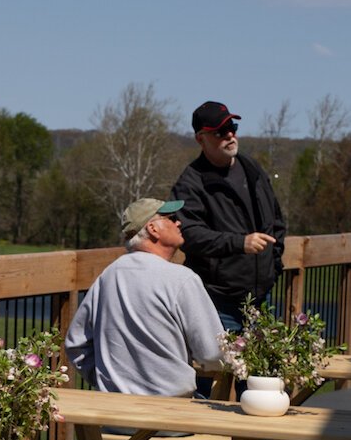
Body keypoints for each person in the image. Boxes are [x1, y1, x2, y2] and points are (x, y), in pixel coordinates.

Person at [65, 197, 225, 398]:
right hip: (170, 418)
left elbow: (75, 344)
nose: (179, 223)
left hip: (114, 416)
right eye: (171, 218)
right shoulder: (182, 279)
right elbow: (213, 354)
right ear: (153, 228)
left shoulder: (108, 276)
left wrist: (104, 381)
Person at [170, 100, 287, 332]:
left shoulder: (251, 168)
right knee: (222, 367)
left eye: (232, 128)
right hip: (218, 301)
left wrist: (274, 266)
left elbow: (276, 220)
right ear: (200, 139)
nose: (230, 136)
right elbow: (189, 235)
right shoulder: (191, 183)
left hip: (262, 298)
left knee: (264, 367)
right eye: (220, 132)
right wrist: (240, 243)